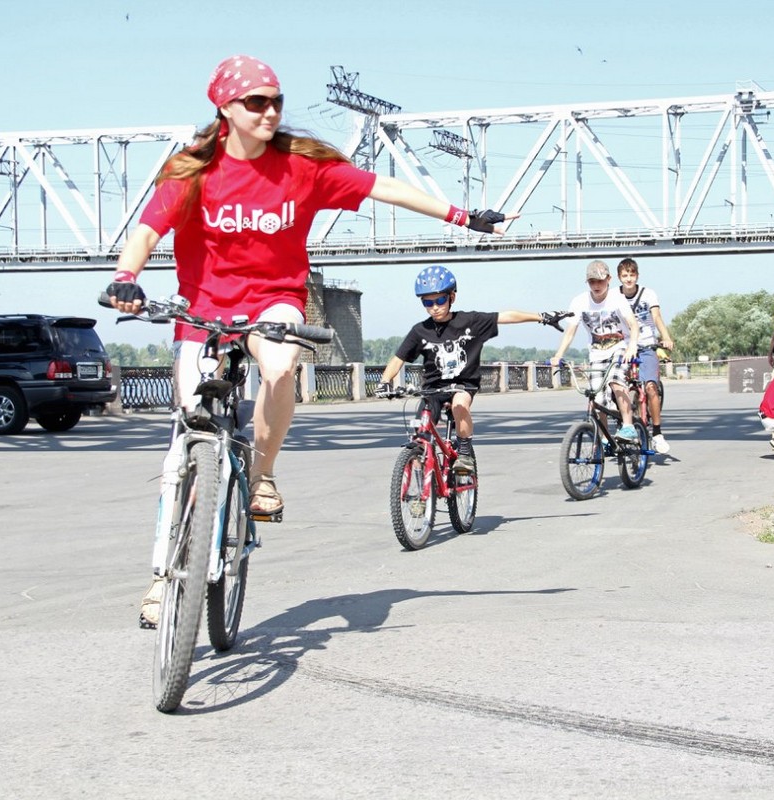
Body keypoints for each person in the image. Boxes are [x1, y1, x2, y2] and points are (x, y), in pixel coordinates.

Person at [106, 55, 512, 629]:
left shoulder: (300, 167)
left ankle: (264, 475)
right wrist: (127, 278)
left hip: (275, 297)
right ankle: (161, 578)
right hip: (203, 308)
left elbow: (385, 187)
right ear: (224, 108)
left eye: (275, 101)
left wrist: (465, 216)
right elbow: (148, 230)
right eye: (256, 102)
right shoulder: (190, 171)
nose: (271, 111)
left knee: (278, 368)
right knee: (184, 443)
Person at [374, 266, 569, 474]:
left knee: (459, 405)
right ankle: (420, 496)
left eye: (439, 300)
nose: (434, 308)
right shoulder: (420, 331)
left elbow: (505, 316)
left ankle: (465, 453)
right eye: (427, 303)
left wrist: (541, 317)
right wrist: (384, 382)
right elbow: (398, 359)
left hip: (463, 385)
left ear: (452, 297)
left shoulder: (470, 322)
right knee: (419, 438)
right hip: (433, 389)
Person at [549, 260, 641, 442]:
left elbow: (633, 325)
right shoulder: (579, 301)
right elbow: (570, 332)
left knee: (616, 382)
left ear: (609, 279)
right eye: (592, 282)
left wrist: (632, 346)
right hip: (597, 352)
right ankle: (605, 438)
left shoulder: (617, 299)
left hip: (621, 347)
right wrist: (558, 354)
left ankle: (629, 426)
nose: (596, 285)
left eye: (600, 281)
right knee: (597, 397)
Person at [616, 257, 674, 454]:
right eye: (625, 275)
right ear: (619, 277)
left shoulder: (648, 294)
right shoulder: (614, 295)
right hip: (623, 347)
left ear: (637, 276)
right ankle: (624, 423)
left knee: (650, 387)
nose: (629, 279)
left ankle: (657, 433)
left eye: (632, 275)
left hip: (646, 344)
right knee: (616, 387)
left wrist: (665, 337)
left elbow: (656, 317)